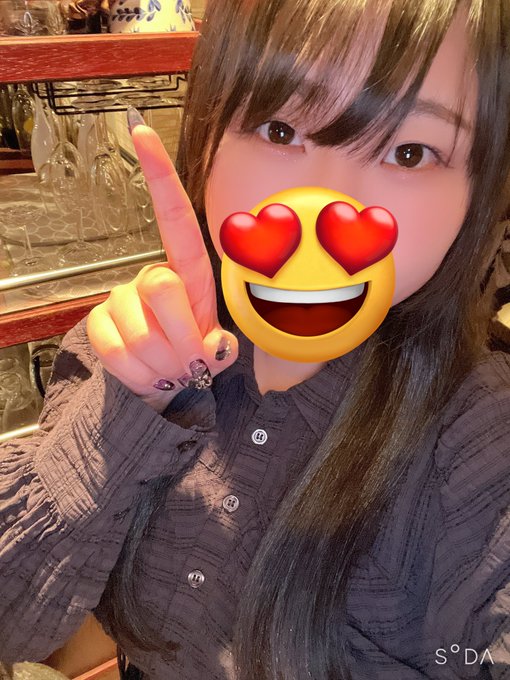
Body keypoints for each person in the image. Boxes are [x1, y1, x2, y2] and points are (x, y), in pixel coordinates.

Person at [1, 0, 510, 679]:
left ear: (477, 192)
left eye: (409, 152)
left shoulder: (482, 442)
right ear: (206, 139)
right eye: (280, 129)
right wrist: (126, 408)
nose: (322, 211)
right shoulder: (124, 350)